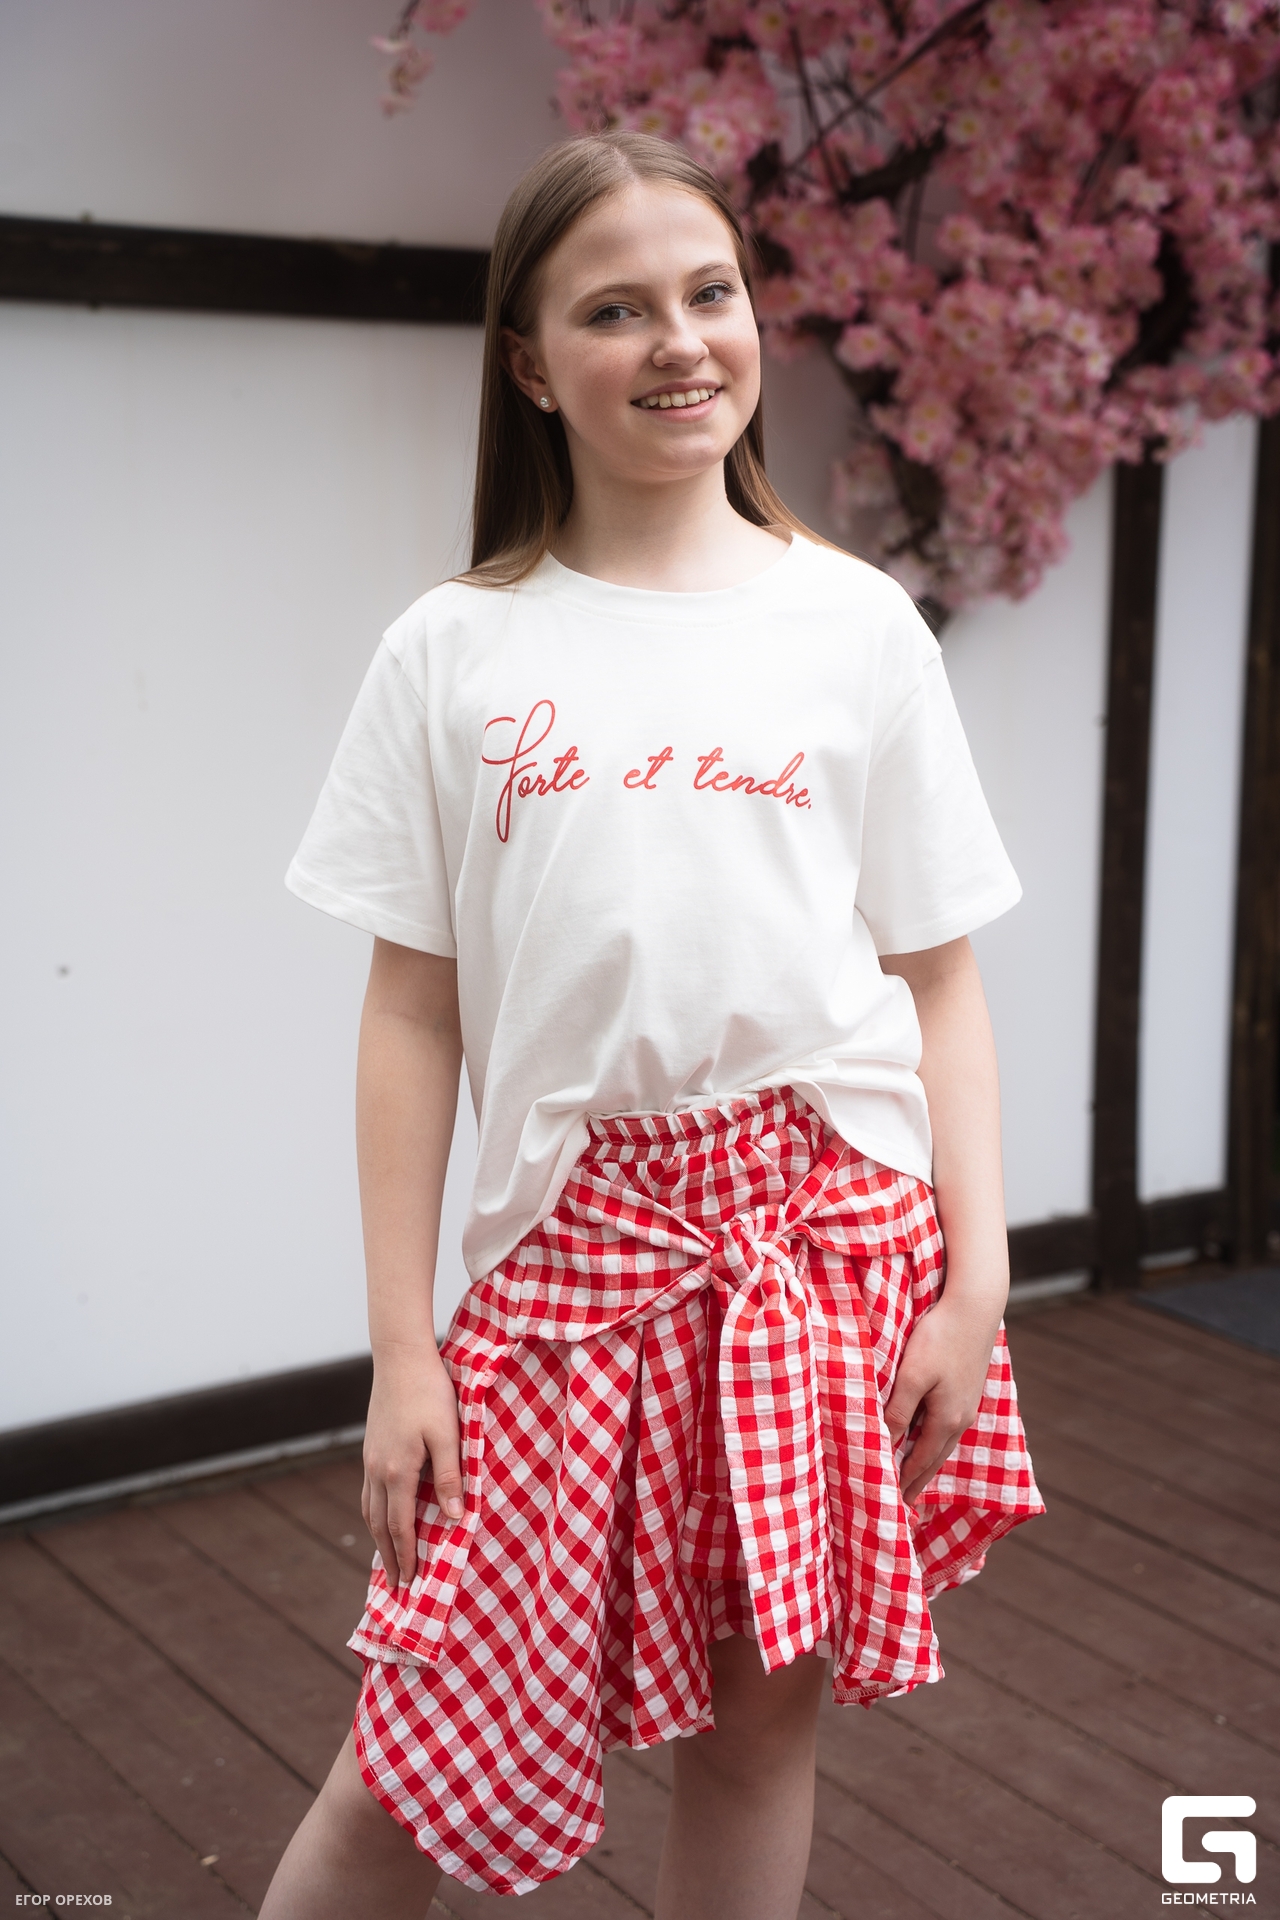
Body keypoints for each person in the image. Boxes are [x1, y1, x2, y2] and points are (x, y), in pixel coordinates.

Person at [259, 129, 1044, 1920]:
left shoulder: (855, 625)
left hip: (829, 1252)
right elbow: (411, 1018)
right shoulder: (453, 651)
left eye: (710, 293)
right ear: (533, 365)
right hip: (573, 1257)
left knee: (760, 1731)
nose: (681, 341)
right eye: (614, 310)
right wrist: (402, 1351)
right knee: (416, 1753)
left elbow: (937, 978)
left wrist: (977, 1284)